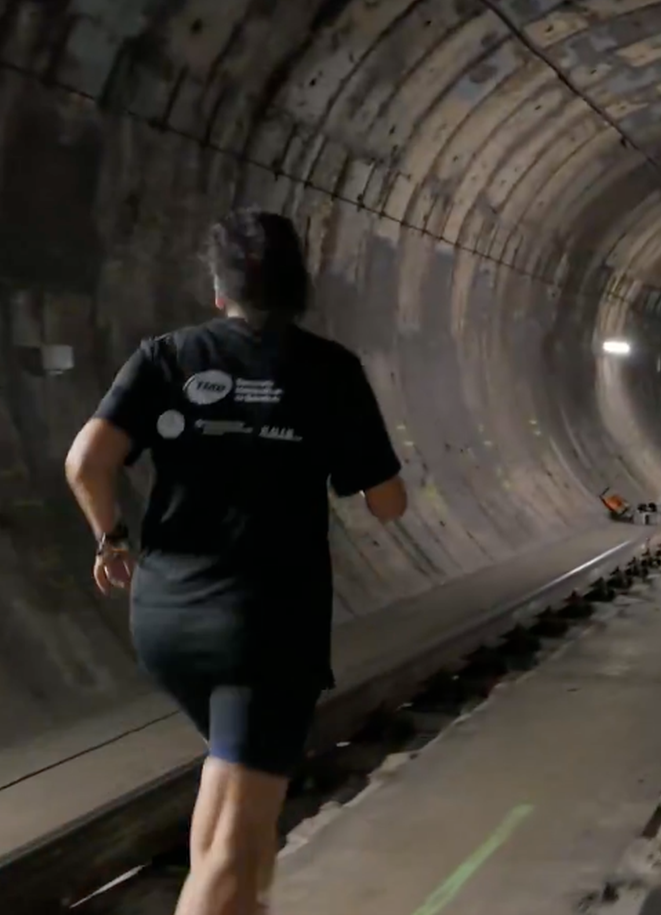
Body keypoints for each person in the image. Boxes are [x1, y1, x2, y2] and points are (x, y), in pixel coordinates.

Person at [64, 210, 408, 915]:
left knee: (228, 797)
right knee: (234, 842)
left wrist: (112, 540)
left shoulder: (165, 356)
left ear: (220, 291)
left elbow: (85, 463)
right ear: (298, 287)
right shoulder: (329, 370)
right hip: (266, 625)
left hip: (166, 620)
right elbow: (387, 503)